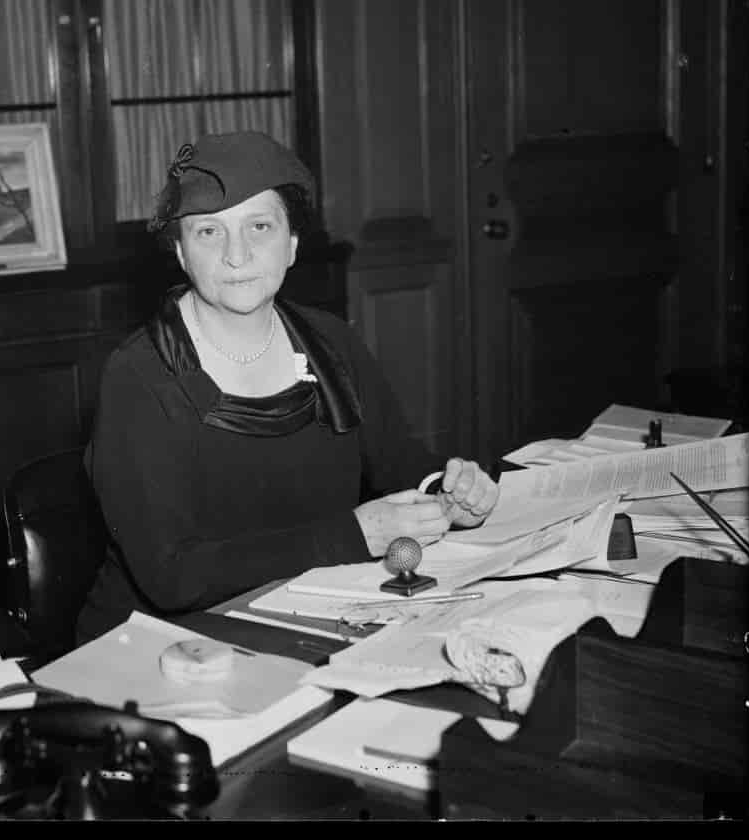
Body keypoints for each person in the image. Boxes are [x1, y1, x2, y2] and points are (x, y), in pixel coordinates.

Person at [76, 130, 499, 643]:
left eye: (260, 227)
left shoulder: (331, 344)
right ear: (182, 254)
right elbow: (172, 577)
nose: (238, 255)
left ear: (292, 245)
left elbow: (403, 468)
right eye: (210, 232)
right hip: (163, 642)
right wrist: (351, 536)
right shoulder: (138, 374)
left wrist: (449, 497)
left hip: (306, 615)